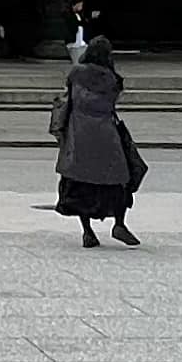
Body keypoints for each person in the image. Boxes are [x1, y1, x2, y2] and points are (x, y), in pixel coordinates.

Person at [51, 35, 146, 248]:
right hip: (107, 134)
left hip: (79, 134)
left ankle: (87, 232)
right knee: (118, 180)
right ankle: (119, 223)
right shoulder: (113, 79)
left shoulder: (76, 74)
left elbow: (69, 99)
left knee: (79, 182)